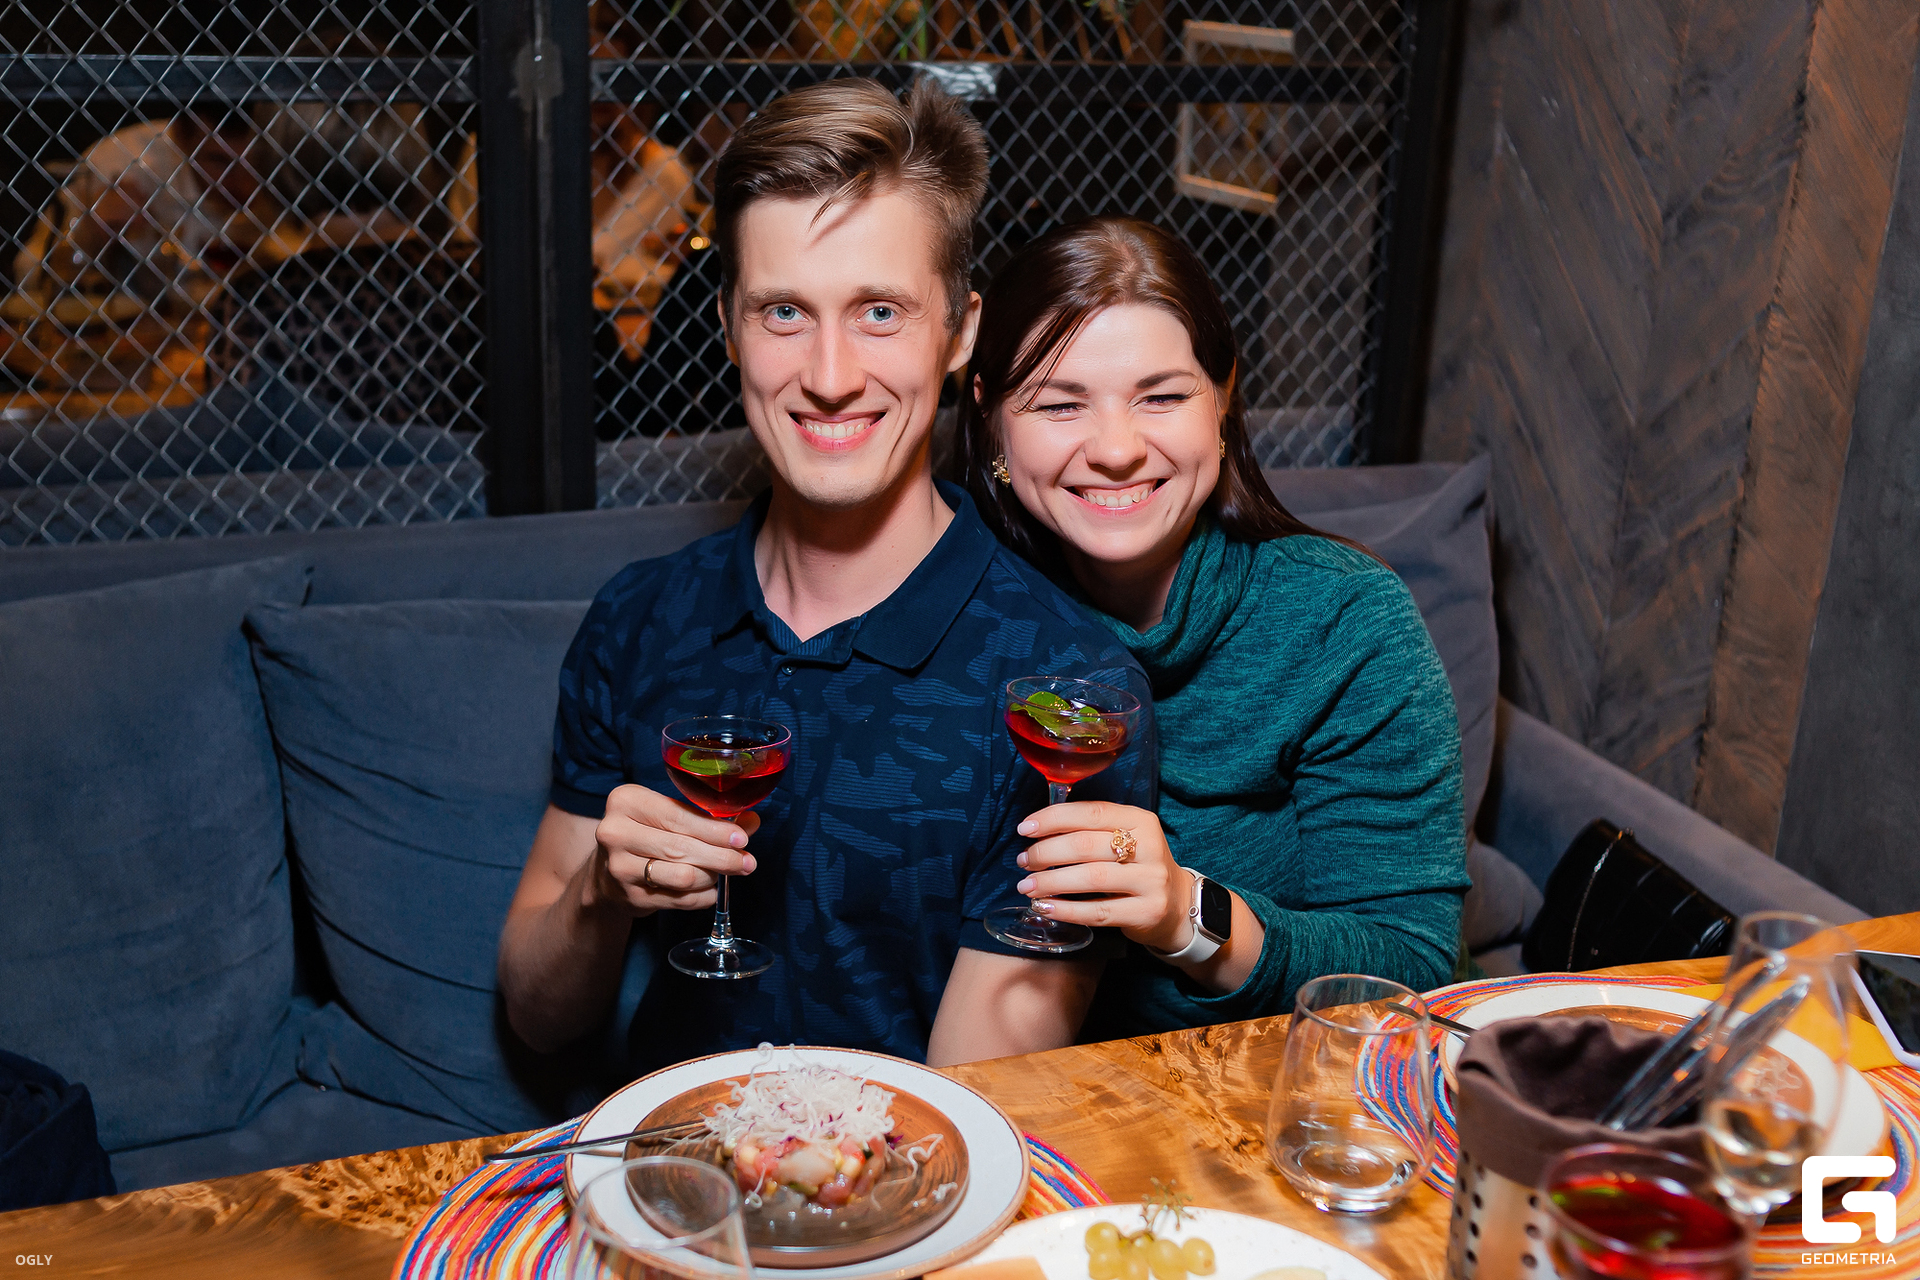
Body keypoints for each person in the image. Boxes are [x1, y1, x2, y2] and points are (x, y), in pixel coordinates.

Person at [497, 82, 1153, 1072]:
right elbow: (538, 1016)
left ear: (960, 331)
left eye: (880, 311)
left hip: (918, 1159)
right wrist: (598, 893)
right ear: (728, 326)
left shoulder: (1065, 695)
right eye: (784, 312)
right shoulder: (639, 616)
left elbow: (981, 1097)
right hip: (659, 1149)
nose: (832, 374)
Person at [955, 216, 1469, 1039]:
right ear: (991, 417)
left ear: (1223, 399)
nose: (1116, 449)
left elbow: (1409, 968)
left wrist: (1185, 914)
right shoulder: (952, 605)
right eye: (1059, 403)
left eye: (1161, 397)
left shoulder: (1344, 620)